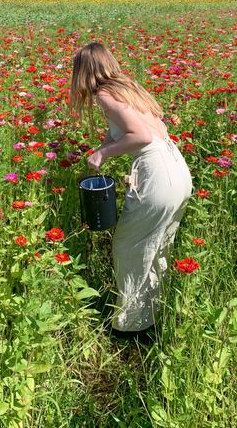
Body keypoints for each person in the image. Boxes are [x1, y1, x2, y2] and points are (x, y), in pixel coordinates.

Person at [70, 42, 193, 340]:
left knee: (128, 246)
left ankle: (131, 327)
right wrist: (105, 146)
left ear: (85, 71)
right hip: (177, 168)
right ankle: (152, 316)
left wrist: (102, 155)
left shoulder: (104, 94)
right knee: (158, 247)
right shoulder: (127, 89)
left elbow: (140, 136)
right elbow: (138, 131)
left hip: (157, 175)